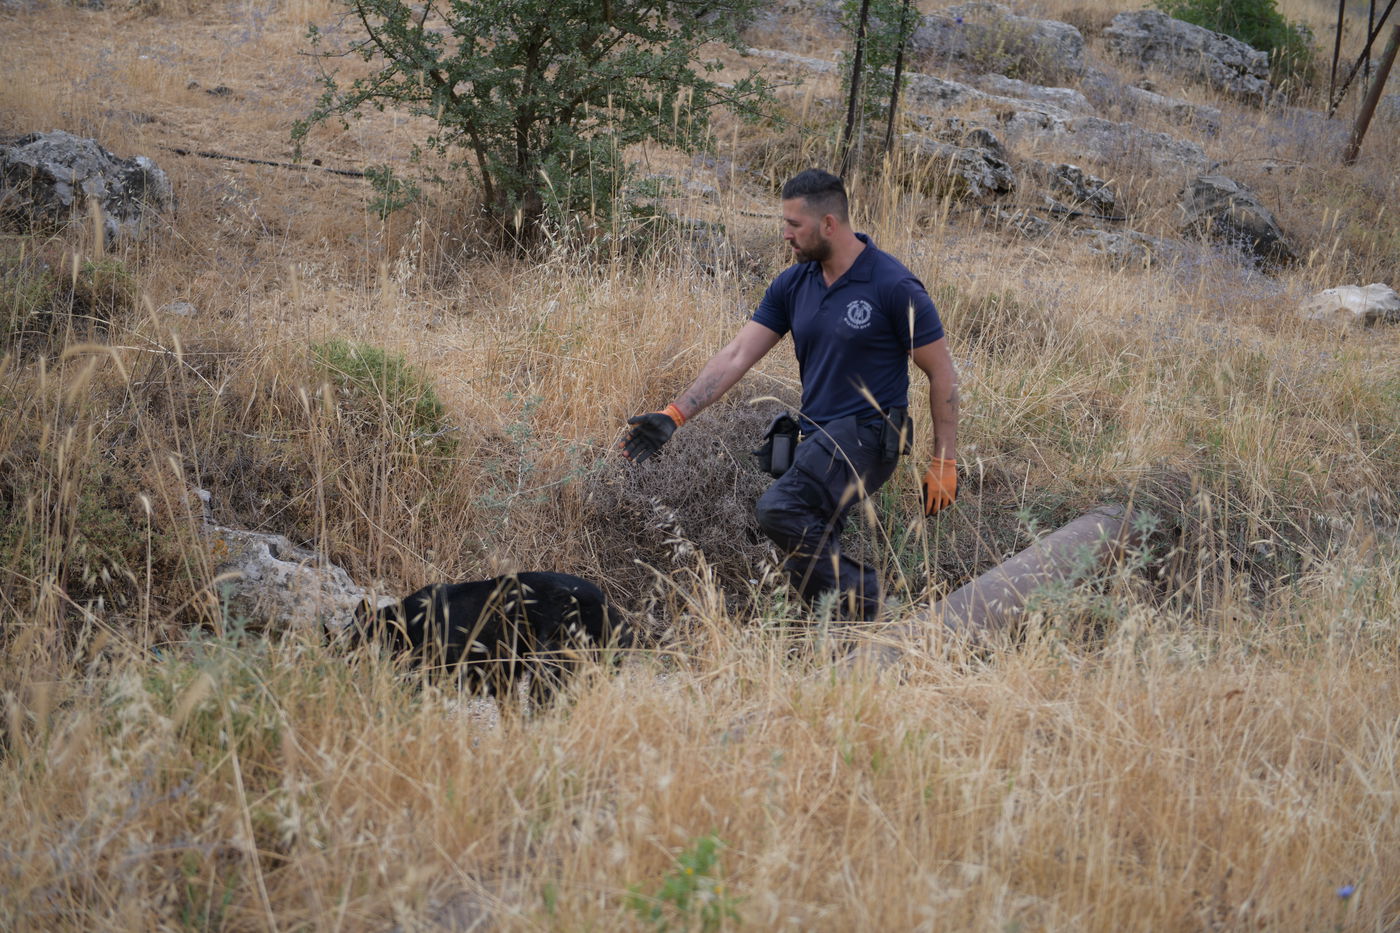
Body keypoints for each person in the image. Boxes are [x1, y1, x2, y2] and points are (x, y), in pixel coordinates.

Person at [622, 169, 959, 621]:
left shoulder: (892, 286)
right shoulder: (793, 284)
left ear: (828, 224)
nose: (785, 235)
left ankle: (878, 607)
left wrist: (945, 460)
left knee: (782, 508)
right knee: (810, 539)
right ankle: (845, 639)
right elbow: (738, 353)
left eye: (794, 225)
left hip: (870, 435)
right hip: (818, 436)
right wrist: (676, 414)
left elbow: (942, 374)